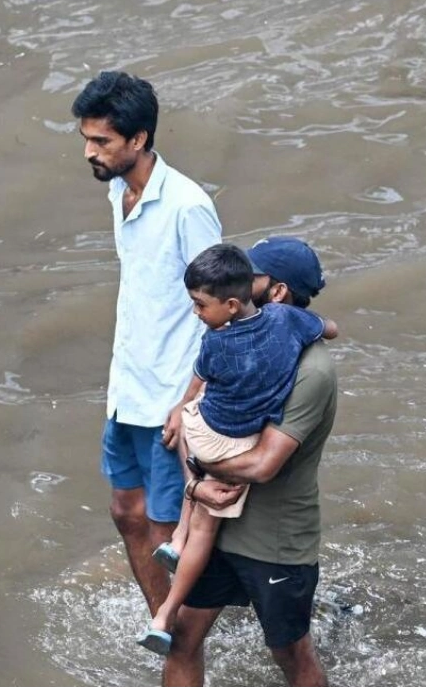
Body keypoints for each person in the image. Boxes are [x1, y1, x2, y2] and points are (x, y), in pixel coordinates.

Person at [136, 243, 338, 656]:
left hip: (272, 541)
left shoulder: (312, 370)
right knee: (183, 642)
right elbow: (192, 412)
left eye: (253, 276)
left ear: (276, 292)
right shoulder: (236, 338)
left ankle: (179, 541)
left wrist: (195, 480)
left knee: (292, 656)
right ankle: (169, 589)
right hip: (219, 526)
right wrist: (196, 483)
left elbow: (262, 464)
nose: (244, 280)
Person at [71, 71, 222, 615]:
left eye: (101, 142)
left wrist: (189, 401)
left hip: (170, 401)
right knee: (125, 512)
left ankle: (180, 634)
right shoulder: (118, 190)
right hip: (128, 390)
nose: (89, 151)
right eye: (86, 139)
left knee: (164, 528)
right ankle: (166, 620)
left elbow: (223, 314)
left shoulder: (187, 207)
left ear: (138, 140)